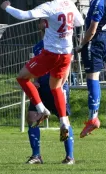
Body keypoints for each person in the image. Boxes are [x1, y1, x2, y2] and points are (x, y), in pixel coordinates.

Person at [1, 0, 84, 144]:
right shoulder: (69, 4)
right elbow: (80, 22)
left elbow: (24, 15)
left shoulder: (49, 6)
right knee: (56, 88)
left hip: (51, 53)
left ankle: (42, 109)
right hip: (66, 55)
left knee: (22, 77)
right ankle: (63, 122)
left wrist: (7, 7)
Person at [74, 0, 106, 138]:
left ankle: (93, 118)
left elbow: (92, 29)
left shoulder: (99, 3)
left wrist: (81, 45)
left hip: (94, 41)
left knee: (92, 79)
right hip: (104, 39)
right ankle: (93, 117)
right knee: (95, 77)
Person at [26, 19, 74, 165]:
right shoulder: (38, 47)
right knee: (32, 117)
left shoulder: (61, 43)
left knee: (64, 121)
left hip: (57, 87)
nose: (43, 23)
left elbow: (67, 65)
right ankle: (36, 155)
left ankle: (69, 156)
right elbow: (36, 65)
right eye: (41, 21)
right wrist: (34, 80)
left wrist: (62, 83)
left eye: (45, 21)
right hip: (41, 88)